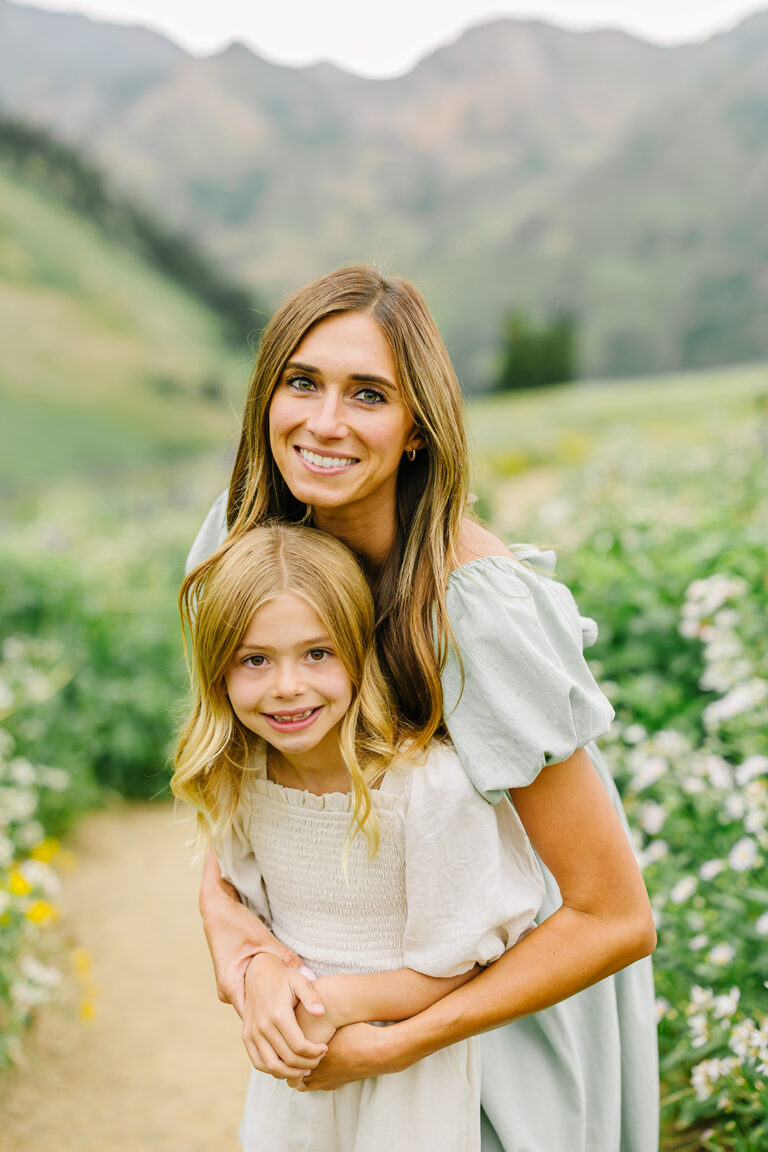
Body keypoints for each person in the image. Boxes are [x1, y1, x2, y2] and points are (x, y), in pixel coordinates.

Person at [186, 265, 659, 1152]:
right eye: (302, 382)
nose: (324, 423)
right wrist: (245, 960)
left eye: (368, 395)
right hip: (349, 1009)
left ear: (415, 431)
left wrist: (388, 1049)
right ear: (265, 396)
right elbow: (234, 790)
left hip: (499, 1015)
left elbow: (613, 916)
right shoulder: (238, 543)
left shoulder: (473, 606)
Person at [172, 523, 545, 1152]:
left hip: (406, 1069)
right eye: (254, 659)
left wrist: (327, 1004)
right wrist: (260, 971)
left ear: (358, 653)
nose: (287, 686)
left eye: (317, 653)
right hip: (301, 1071)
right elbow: (247, 914)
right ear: (219, 674)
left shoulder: (427, 789)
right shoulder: (240, 779)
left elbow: (463, 964)